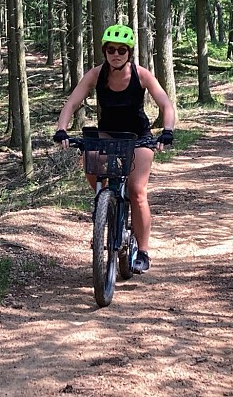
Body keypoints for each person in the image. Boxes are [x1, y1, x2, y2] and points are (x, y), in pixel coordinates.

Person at [53, 24, 175, 274]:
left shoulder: (141, 75)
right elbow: (73, 101)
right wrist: (62, 128)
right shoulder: (96, 74)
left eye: (121, 50)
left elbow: (166, 104)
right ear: (104, 52)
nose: (116, 54)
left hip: (138, 137)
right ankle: (106, 211)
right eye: (111, 50)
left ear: (129, 52)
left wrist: (168, 130)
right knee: (90, 162)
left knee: (137, 190)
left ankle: (142, 251)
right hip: (107, 134)